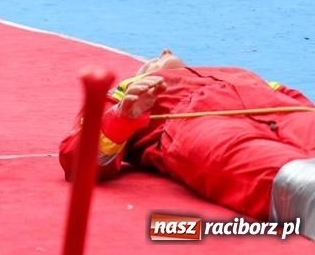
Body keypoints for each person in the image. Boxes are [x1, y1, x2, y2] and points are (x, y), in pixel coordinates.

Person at [59, 49, 315, 227]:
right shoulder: (124, 94)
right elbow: (77, 160)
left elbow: (299, 103)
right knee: (288, 174)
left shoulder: (237, 72)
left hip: (278, 108)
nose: (164, 51)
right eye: (154, 59)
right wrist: (123, 118)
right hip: (195, 120)